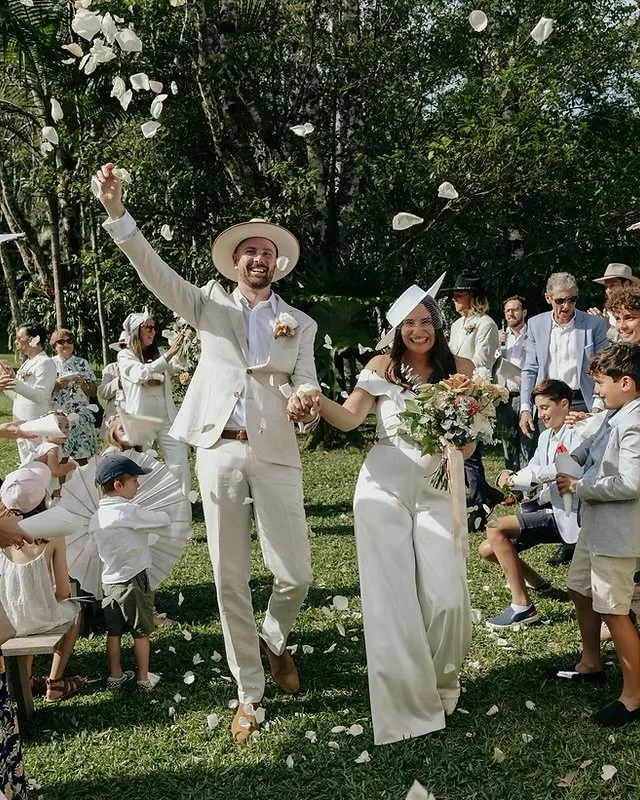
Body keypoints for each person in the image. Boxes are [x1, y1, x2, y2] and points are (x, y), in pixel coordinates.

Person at [95, 163, 319, 743]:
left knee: (295, 573)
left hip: (277, 453)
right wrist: (119, 214)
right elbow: (155, 273)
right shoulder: (208, 307)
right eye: (248, 252)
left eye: (266, 252)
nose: (258, 259)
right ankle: (249, 693)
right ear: (235, 263)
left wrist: (304, 397)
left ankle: (272, 637)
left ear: (279, 263)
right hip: (218, 449)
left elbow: (307, 381)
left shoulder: (302, 323)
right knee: (228, 577)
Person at [299, 281, 473, 745]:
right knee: (390, 599)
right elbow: (351, 417)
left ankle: (441, 684)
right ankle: (406, 703)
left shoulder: (461, 368)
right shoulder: (382, 367)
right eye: (408, 322)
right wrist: (316, 400)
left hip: (440, 487)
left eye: (426, 320)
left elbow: (472, 441)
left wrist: (457, 428)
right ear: (395, 329)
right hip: (382, 487)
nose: (419, 330)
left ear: (438, 323)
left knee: (448, 598)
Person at [554, 343, 640, 726]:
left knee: (614, 611)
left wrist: (579, 487)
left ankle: (634, 696)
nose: (596, 391)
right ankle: (591, 662)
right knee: (578, 587)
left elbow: (632, 483)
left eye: (601, 383)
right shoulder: (616, 413)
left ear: (626, 381)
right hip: (597, 525)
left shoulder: (636, 421)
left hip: (619, 531)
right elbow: (587, 449)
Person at [479, 380, 586, 628]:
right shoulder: (546, 436)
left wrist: (524, 477)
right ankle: (540, 584)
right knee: (487, 550)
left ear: (564, 404)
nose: (541, 414)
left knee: (495, 528)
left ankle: (522, 606)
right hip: (547, 510)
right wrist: (509, 477)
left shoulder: (579, 431)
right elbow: (533, 469)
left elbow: (563, 467)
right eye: (537, 407)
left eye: (546, 407)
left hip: (570, 512)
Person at [520, 272, 608, 566]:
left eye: (572, 299)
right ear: (548, 299)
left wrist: (596, 407)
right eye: (561, 300)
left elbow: (599, 367)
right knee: (550, 457)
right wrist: (524, 406)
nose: (567, 306)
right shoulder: (536, 324)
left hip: (582, 397)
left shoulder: (592, 323)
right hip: (548, 397)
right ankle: (564, 535)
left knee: (575, 464)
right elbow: (530, 368)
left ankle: (577, 537)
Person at [0, 462, 84, 702]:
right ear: (44, 498)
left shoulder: (1, 534)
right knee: (74, 613)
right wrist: (53, 596)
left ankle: (25, 680)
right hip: (39, 616)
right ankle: (55, 681)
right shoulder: (53, 535)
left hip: (8, 618)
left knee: (25, 615)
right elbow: (63, 590)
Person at [90, 454, 171, 691]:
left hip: (110, 582)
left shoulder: (96, 518)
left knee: (113, 632)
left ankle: (115, 675)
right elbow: (162, 519)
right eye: (135, 480)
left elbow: (90, 549)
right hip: (133, 579)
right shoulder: (129, 512)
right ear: (118, 485)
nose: (139, 484)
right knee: (141, 631)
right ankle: (143, 678)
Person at [444, 273, 502, 531]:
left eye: (461, 293)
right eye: (454, 293)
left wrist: (470, 392)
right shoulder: (457, 325)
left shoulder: (486, 324)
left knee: (469, 451)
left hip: (473, 391)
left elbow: (482, 364)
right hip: (451, 390)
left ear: (474, 297)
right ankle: (483, 495)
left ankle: (480, 502)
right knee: (462, 450)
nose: (454, 297)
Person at [117, 311, 191, 499]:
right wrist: (168, 355)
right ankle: (147, 504)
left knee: (179, 462)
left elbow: (176, 366)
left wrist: (182, 348)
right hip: (142, 420)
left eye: (154, 328)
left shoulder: (157, 353)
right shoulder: (125, 355)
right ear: (136, 331)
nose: (153, 331)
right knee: (143, 465)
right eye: (148, 327)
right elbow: (140, 374)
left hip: (166, 418)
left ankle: (180, 505)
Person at [0, 322, 57, 462]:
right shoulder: (28, 363)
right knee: (26, 464)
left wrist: (15, 382)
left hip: (36, 424)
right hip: (20, 425)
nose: (16, 341)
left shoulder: (45, 362)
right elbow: (18, 397)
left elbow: (41, 396)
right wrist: (5, 381)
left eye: (20, 338)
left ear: (33, 339)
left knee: (39, 465)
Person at [495, 295, 537, 477]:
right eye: (507, 311)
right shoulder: (500, 336)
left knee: (528, 442)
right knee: (508, 443)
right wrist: (495, 344)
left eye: (515, 309)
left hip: (526, 395)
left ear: (524, 312)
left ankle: (530, 488)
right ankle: (513, 487)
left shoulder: (533, 334)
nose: (510, 313)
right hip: (505, 395)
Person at [50, 328, 99, 463]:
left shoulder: (82, 363)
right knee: (61, 458)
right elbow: (41, 390)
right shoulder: (49, 364)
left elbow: (94, 392)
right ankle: (62, 485)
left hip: (80, 416)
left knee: (83, 458)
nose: (66, 344)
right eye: (61, 341)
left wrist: (84, 385)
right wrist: (56, 384)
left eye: (69, 341)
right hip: (59, 417)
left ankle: (85, 483)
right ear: (54, 346)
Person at [23, 411, 78, 497]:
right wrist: (71, 465)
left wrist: (54, 492)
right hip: (33, 488)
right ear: (46, 431)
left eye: (67, 427)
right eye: (59, 427)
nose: (64, 430)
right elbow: (55, 471)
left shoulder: (43, 446)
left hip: (32, 485)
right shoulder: (52, 448)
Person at [588, 263, 639, 342]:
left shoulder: (637, 308)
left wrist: (608, 329)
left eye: (612, 285)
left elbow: (631, 342)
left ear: (627, 284)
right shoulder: (607, 313)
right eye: (606, 287)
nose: (608, 291)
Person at [97, 333, 127, 440]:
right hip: (114, 417)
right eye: (123, 346)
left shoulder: (143, 367)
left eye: (129, 346)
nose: (126, 349)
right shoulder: (111, 368)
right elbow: (102, 392)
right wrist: (118, 382)